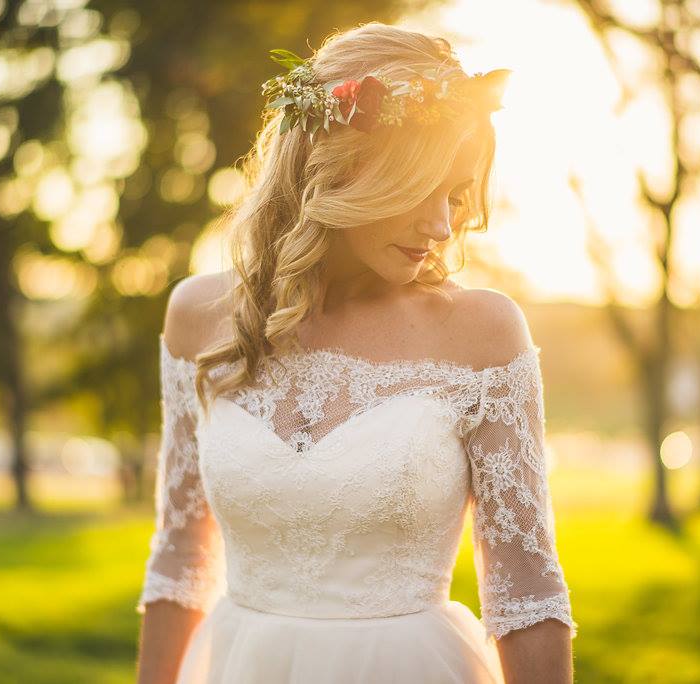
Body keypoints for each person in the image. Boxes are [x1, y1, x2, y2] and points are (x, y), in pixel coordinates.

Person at [134, 21, 577, 684]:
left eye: (455, 196)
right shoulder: (200, 318)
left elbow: (527, 595)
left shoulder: (483, 333)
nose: (441, 227)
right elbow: (179, 561)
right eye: (417, 187)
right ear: (337, 166)